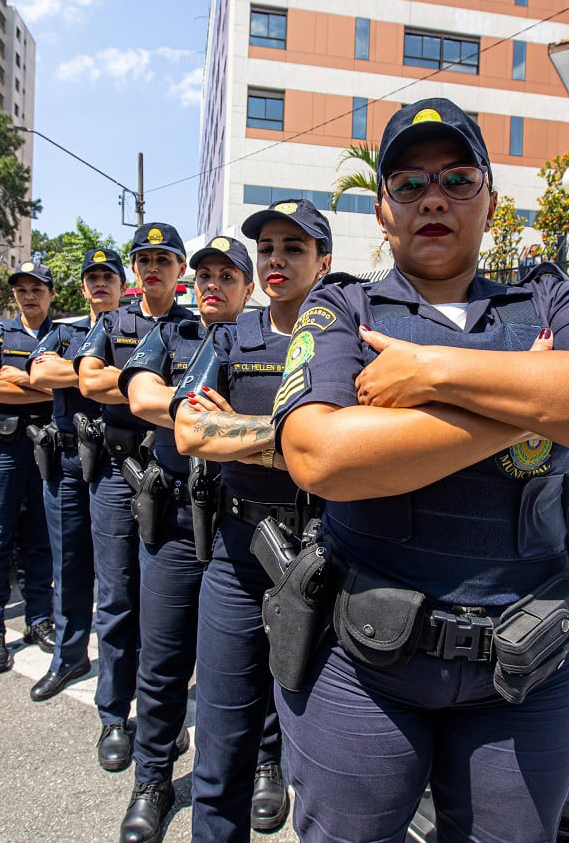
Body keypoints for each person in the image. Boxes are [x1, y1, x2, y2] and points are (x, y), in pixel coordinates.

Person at [269, 98, 569, 841]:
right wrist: (538, 399)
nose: (433, 199)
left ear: (490, 200)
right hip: (365, 665)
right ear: (383, 212)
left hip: (530, 668)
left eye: (458, 180)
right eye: (408, 184)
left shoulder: (546, 296)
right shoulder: (343, 306)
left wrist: (435, 372)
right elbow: (321, 455)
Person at [166, 209, 332, 840]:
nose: (276, 260)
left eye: (294, 247)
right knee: (220, 744)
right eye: (266, 248)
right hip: (238, 558)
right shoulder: (233, 338)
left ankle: (278, 776)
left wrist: (238, 431)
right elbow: (190, 430)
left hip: (327, 559)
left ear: (323, 262)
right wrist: (299, 439)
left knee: (330, 748)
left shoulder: (345, 336)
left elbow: (363, 441)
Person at [116, 234, 256, 843]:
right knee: (163, 657)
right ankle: (151, 780)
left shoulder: (263, 339)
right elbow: (140, 394)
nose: (212, 285)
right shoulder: (171, 334)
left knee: (254, 664)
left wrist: (204, 421)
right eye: (204, 276)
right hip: (174, 523)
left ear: (247, 287)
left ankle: (266, 765)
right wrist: (201, 413)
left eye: (227, 276)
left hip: (245, 528)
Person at [73, 223, 196, 777]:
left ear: (180, 269)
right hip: (119, 472)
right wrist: (150, 384)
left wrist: (125, 383)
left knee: (164, 605)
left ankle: (157, 717)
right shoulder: (113, 323)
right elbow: (87, 381)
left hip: (173, 475)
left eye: (162, 260)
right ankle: (113, 715)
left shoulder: (196, 326)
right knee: (118, 596)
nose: (152, 269)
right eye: (144, 260)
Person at [26, 248, 125, 702]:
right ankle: (69, 656)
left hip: (117, 463)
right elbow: (39, 373)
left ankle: (122, 672)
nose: (100, 283)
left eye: (108, 276)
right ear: (83, 287)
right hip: (67, 461)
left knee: (117, 576)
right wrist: (94, 372)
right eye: (93, 278)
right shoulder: (64, 331)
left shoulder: (134, 330)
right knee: (68, 565)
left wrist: (76, 372)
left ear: (122, 285)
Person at [0, 262, 57, 675]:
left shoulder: (63, 336)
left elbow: (70, 388)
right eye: (21, 289)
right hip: (4, 447)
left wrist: (19, 379)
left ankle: (39, 619)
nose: (29, 296)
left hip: (47, 446)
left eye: (37, 288)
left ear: (51, 294)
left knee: (41, 539)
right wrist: (42, 387)